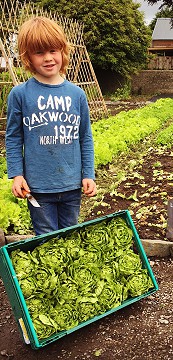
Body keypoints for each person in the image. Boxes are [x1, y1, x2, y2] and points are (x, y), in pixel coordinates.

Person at [5, 16, 97, 235]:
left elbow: (85, 137)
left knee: (69, 235)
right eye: (39, 52)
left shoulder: (77, 94)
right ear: (28, 57)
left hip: (72, 184)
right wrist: (17, 174)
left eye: (53, 51)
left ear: (63, 52)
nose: (48, 58)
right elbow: (14, 137)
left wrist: (88, 174)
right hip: (38, 187)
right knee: (46, 237)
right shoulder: (20, 94)